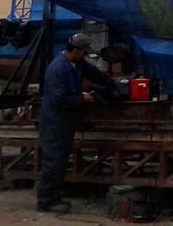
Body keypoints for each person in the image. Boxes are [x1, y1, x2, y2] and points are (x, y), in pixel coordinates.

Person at [37, 33, 120, 214]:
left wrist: (113, 86)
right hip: (55, 122)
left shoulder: (77, 63)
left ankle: (54, 197)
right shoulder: (57, 69)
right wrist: (83, 98)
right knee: (54, 161)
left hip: (66, 120)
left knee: (60, 160)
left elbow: (95, 74)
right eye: (84, 52)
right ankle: (45, 201)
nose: (85, 56)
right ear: (75, 51)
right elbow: (59, 99)